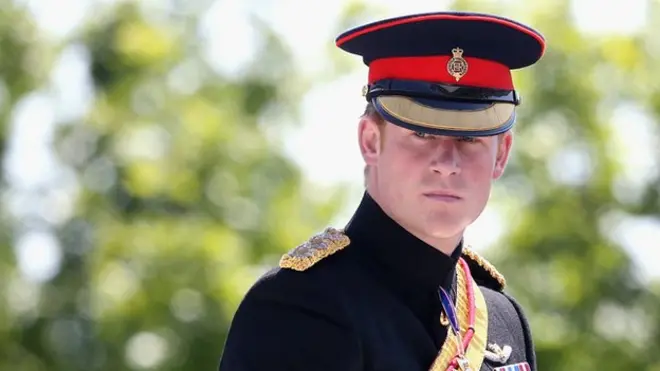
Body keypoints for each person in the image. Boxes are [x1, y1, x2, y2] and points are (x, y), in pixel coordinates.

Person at [218, 11, 545, 371]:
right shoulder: (301, 306)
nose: (448, 162)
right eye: (421, 134)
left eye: (470, 138)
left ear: (501, 156)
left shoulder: (502, 318)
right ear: (371, 141)